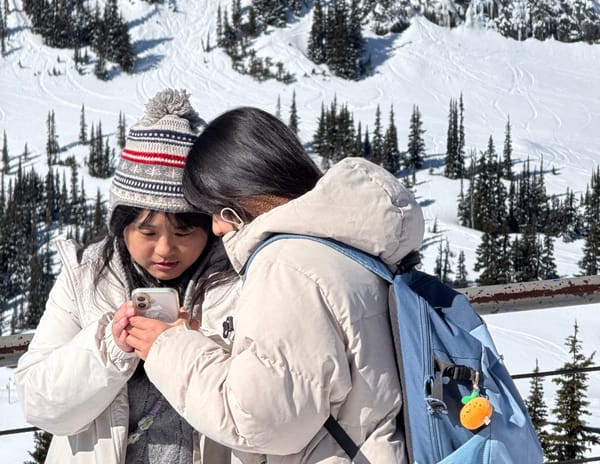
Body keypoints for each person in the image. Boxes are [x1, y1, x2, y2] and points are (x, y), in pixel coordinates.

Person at [125, 106, 425, 464]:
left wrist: (168, 348)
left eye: (216, 209)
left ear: (241, 191)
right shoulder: (346, 246)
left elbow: (263, 420)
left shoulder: (287, 265)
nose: (217, 228)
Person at [16, 89, 238, 464]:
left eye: (184, 231)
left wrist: (189, 349)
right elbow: (38, 403)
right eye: (148, 232)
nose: (165, 249)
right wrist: (109, 347)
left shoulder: (235, 283)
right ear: (122, 226)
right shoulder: (86, 278)